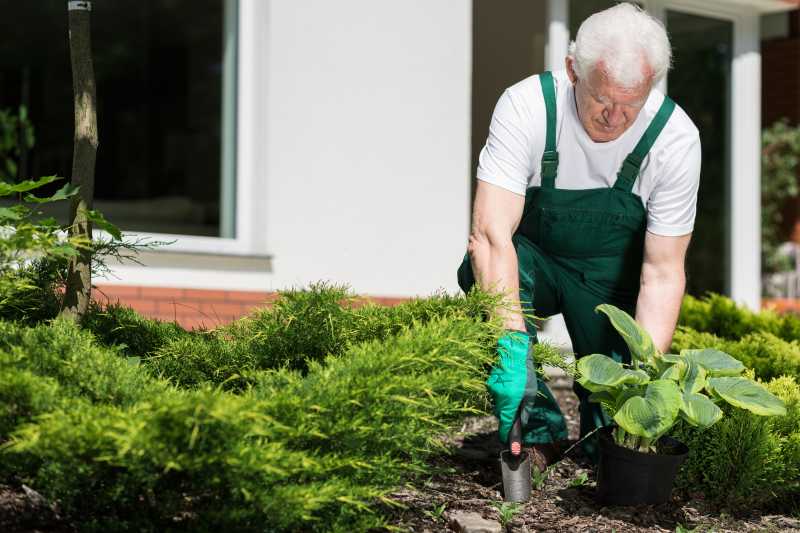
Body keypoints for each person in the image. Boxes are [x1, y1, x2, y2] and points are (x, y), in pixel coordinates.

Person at [456, 2, 701, 468]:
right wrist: (510, 348)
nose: (615, 117)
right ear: (573, 70)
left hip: (611, 282)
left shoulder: (675, 139)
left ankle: (597, 440)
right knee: (480, 272)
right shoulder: (528, 107)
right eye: (602, 99)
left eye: (632, 104)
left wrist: (644, 382)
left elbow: (664, 271)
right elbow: (490, 236)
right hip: (535, 262)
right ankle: (538, 432)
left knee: (609, 433)